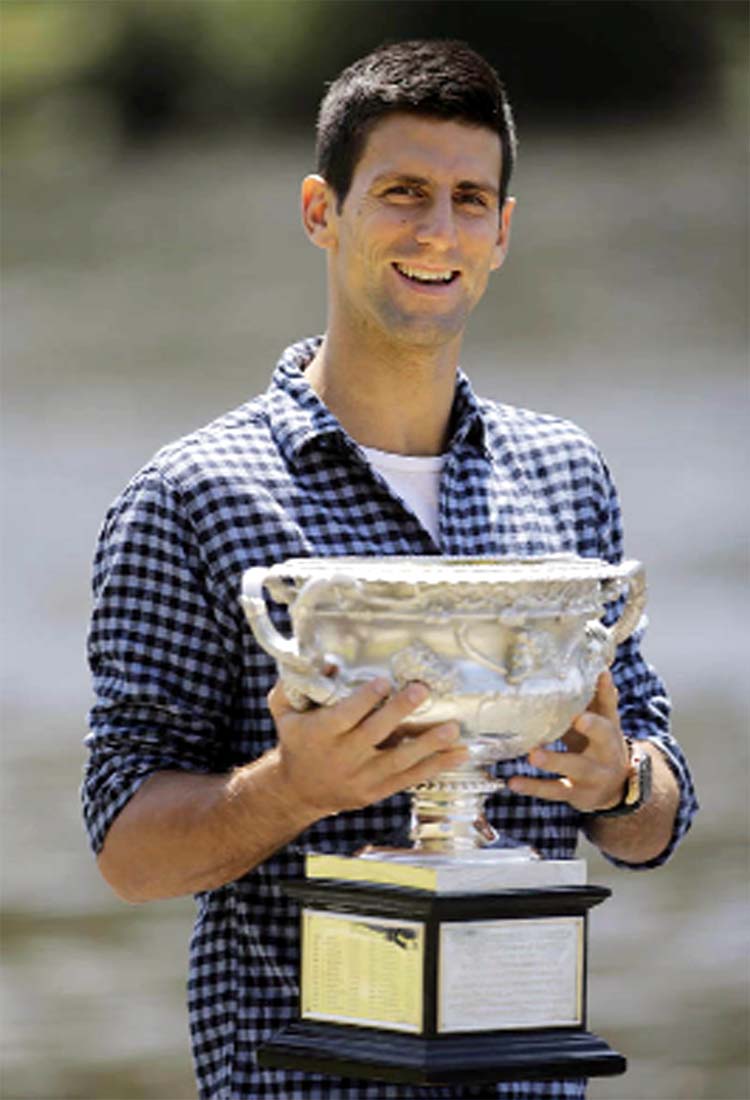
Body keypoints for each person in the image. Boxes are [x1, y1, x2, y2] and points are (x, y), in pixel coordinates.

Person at [83, 39, 698, 1100]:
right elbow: (128, 846)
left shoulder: (565, 474)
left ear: (502, 232)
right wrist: (292, 789)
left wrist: (620, 779)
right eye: (403, 193)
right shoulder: (192, 494)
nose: (437, 231)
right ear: (323, 210)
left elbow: (658, 806)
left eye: (469, 200)